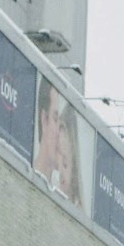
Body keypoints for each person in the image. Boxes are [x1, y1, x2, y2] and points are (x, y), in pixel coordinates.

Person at [34, 76, 84, 208]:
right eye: (56, 119)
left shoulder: (55, 190)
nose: (58, 129)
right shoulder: (30, 175)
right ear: (44, 119)